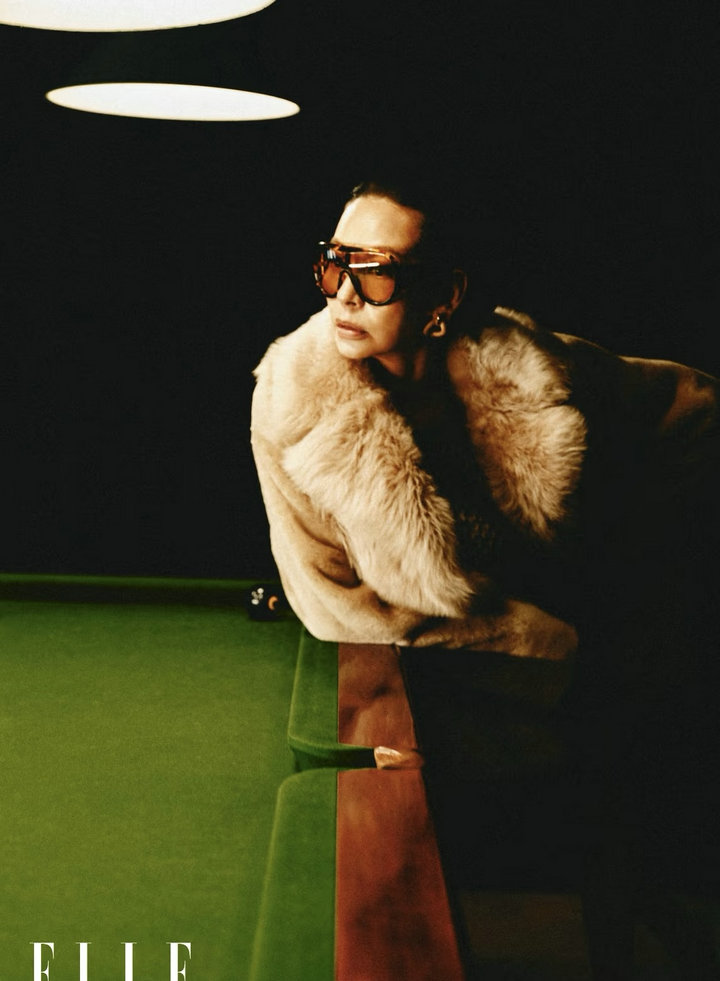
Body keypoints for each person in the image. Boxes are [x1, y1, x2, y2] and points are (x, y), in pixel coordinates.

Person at [251, 176, 720, 972]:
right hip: (443, 672)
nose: (346, 294)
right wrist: (541, 642)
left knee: (639, 809)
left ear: (445, 294)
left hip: (599, 658)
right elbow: (333, 606)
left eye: (376, 271)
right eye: (334, 264)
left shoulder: (526, 365)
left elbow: (695, 403)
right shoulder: (291, 404)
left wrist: (641, 564)